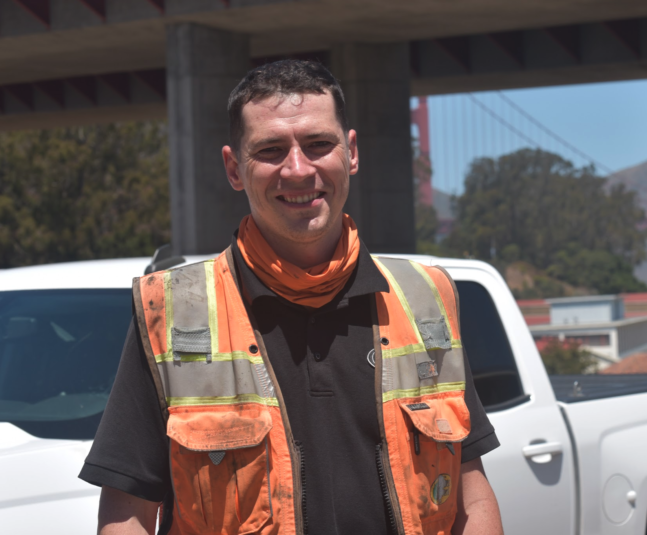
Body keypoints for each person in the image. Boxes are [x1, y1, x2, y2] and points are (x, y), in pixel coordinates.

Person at [79, 59, 504, 535]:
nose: (299, 169)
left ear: (353, 153)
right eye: (271, 150)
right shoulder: (171, 313)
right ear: (233, 168)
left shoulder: (426, 299)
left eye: (319, 144)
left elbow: (471, 494)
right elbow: (127, 514)